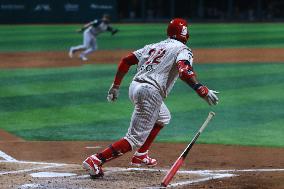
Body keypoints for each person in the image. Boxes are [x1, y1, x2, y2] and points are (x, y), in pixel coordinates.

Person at [82, 18, 219, 178]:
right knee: (134, 138)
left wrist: (116, 85)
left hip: (135, 88)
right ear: (184, 33)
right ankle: (96, 160)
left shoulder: (154, 46)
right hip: (150, 92)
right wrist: (201, 89)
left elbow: (126, 61)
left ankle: (141, 155)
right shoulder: (183, 49)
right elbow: (184, 71)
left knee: (163, 117)